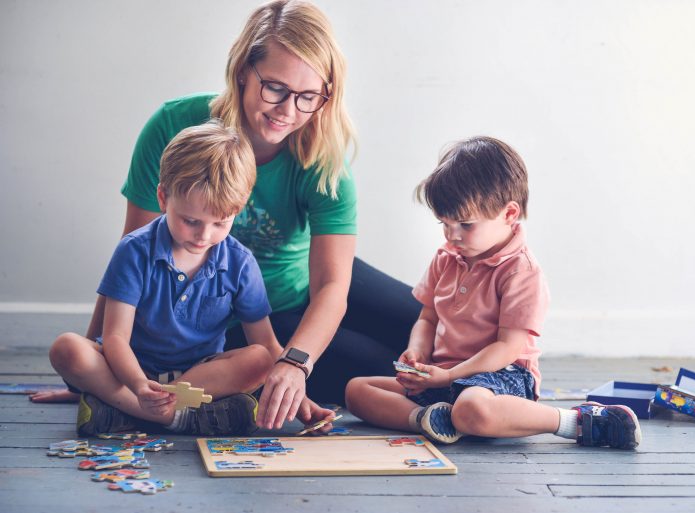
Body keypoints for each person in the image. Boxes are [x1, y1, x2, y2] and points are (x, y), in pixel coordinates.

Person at [33, 0, 421, 424]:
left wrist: (296, 363)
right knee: (384, 369)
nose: (288, 111)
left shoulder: (323, 159)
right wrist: (92, 371)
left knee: (429, 332)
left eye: (308, 96)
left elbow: (332, 285)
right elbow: (133, 253)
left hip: (304, 279)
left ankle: (497, 385)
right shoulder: (172, 127)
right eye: (275, 88)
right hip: (229, 313)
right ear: (242, 71)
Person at [345, 137, 642, 450]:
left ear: (509, 214)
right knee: (357, 390)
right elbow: (428, 317)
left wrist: (450, 377)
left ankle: (577, 422)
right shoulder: (446, 257)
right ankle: (428, 418)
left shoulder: (520, 270)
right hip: (445, 375)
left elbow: (508, 347)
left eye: (465, 224)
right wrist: (417, 352)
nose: (452, 235)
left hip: (500, 375)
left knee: (473, 408)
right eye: (444, 223)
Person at [50, 120, 331, 436]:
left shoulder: (240, 262)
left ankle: (128, 410)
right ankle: (162, 414)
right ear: (163, 198)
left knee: (263, 360)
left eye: (220, 223)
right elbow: (115, 337)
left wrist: (297, 394)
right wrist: (139, 385)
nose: (204, 235)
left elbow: (265, 344)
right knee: (67, 348)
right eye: (190, 221)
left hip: (198, 376)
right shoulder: (134, 250)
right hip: (130, 369)